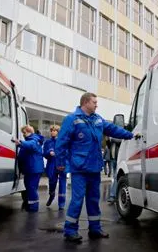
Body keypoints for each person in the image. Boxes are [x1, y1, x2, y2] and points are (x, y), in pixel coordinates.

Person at [54, 92, 135, 243]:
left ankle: (95, 229)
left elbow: (112, 129)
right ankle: (70, 230)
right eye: (94, 102)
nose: (97, 104)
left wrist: (130, 135)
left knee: (93, 199)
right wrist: (60, 163)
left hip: (94, 167)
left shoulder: (97, 119)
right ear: (85, 102)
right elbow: (61, 143)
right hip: (79, 169)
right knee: (77, 200)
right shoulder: (72, 119)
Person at [15, 125, 45, 212]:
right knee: (29, 187)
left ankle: (33, 208)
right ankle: (30, 205)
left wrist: (21, 143)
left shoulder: (34, 139)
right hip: (30, 169)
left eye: (24, 132)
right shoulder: (29, 140)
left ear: (29, 131)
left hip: (34, 169)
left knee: (31, 187)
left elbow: (31, 145)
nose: (23, 135)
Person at [43, 125, 67, 209]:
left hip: (62, 165)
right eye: (51, 130)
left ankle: (61, 204)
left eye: (55, 130)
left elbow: (67, 152)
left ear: (58, 132)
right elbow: (44, 154)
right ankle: (51, 195)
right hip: (51, 165)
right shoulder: (47, 142)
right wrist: (49, 153)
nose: (53, 132)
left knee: (62, 184)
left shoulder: (63, 141)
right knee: (52, 183)